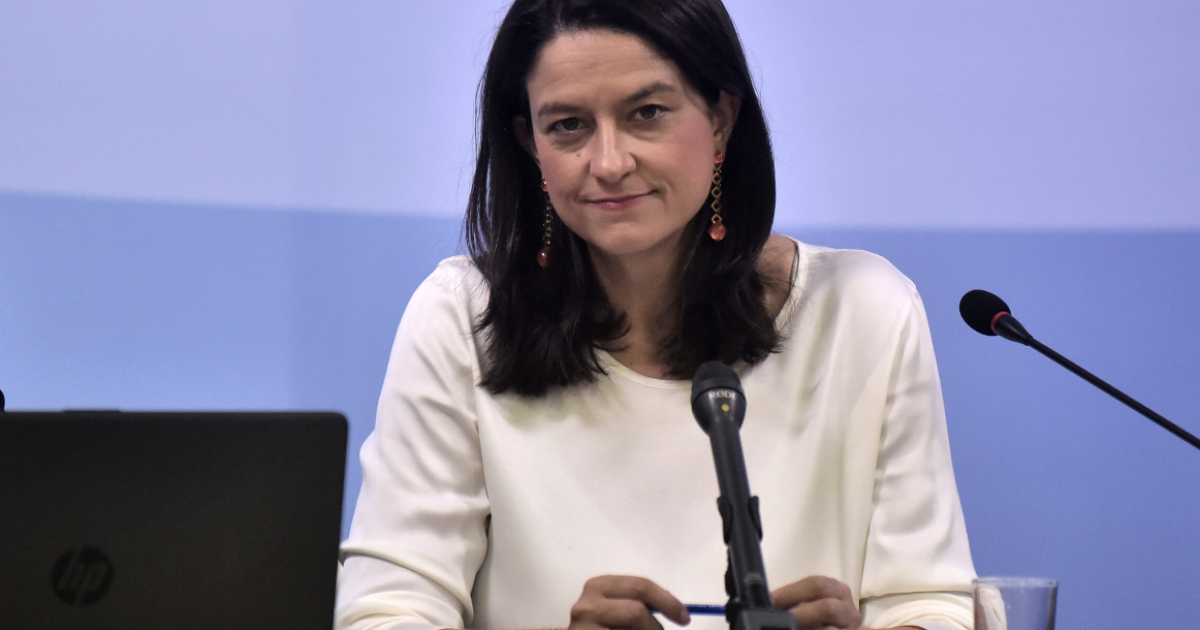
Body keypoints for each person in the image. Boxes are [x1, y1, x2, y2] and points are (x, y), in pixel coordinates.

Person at [336, 1, 977, 629]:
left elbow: (928, 604)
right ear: (530, 144)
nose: (610, 163)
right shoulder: (463, 317)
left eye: (646, 113)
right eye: (568, 125)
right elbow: (387, 611)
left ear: (721, 119)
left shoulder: (862, 309)